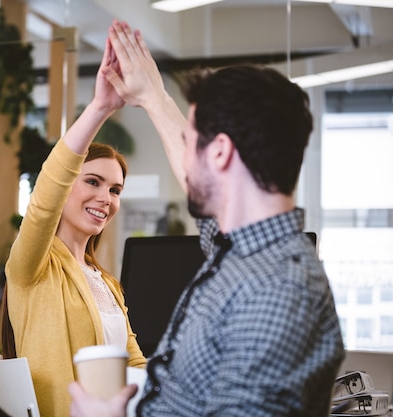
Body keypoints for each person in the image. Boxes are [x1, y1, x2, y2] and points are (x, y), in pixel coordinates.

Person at [68, 20, 345, 417]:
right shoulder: (243, 253)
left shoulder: (274, 290)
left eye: (191, 143)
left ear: (219, 154)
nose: (186, 160)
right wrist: (152, 96)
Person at [2, 34, 146, 417]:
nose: (106, 198)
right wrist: (100, 107)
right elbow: (47, 190)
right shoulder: (33, 267)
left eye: (115, 189)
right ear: (66, 187)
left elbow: (134, 366)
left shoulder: (107, 284)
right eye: (93, 182)